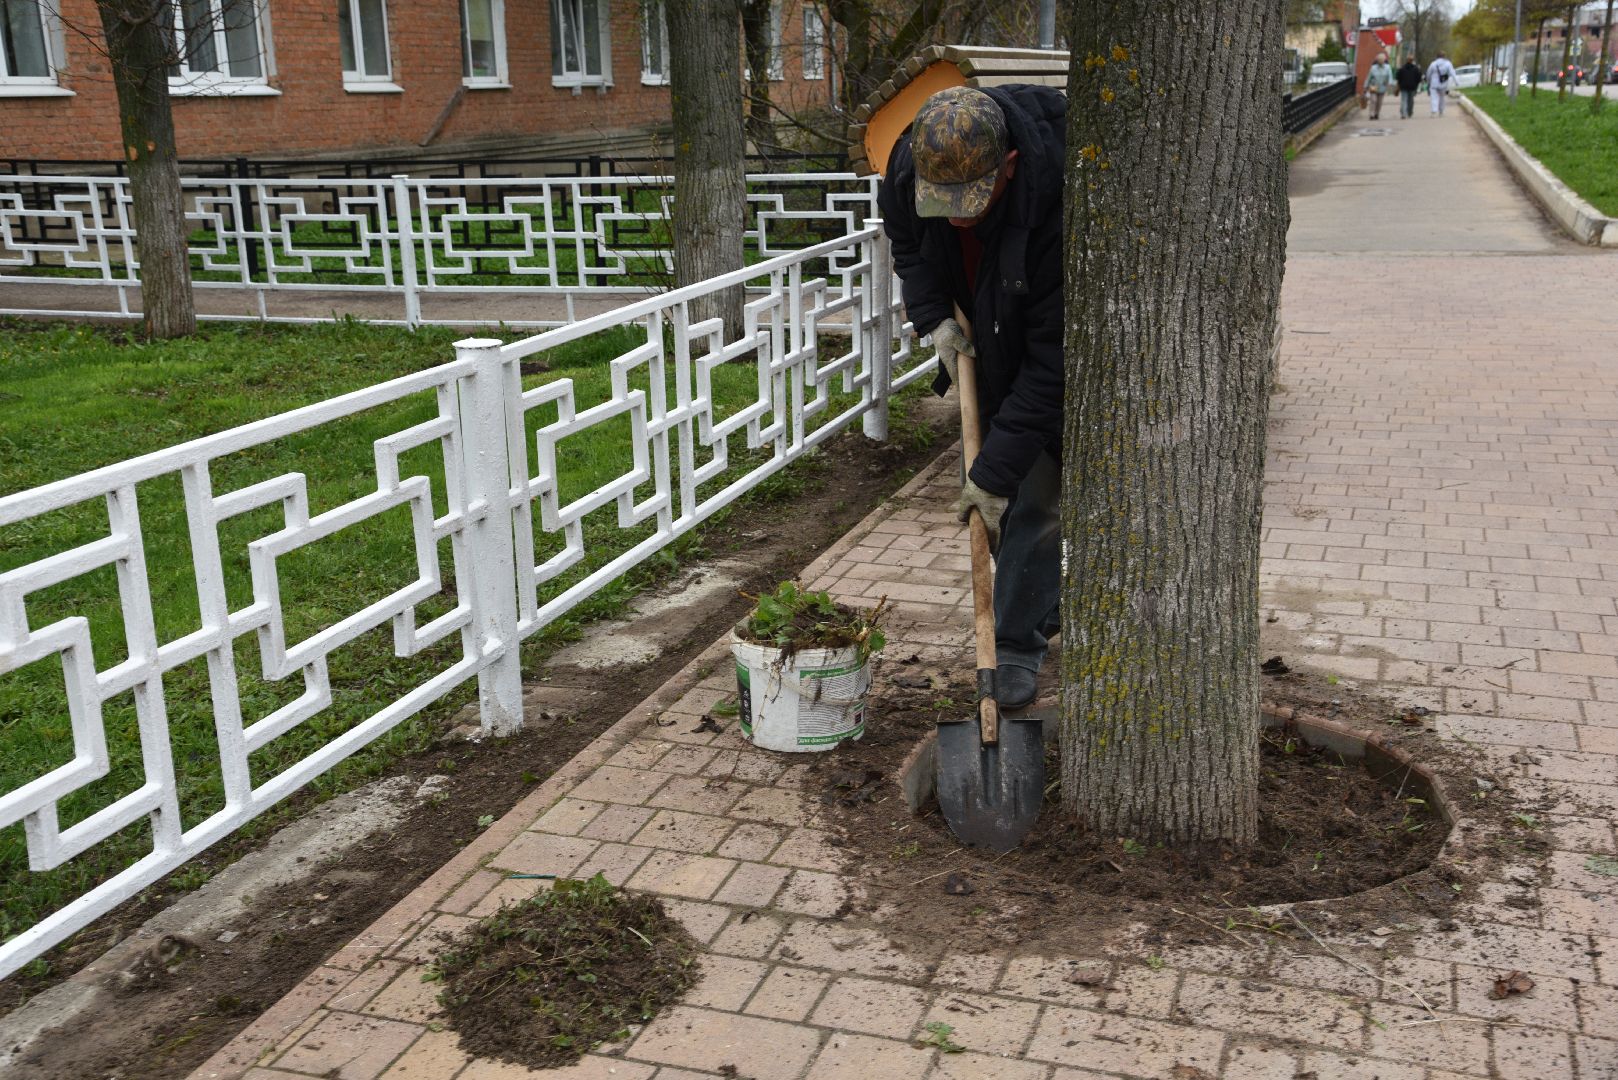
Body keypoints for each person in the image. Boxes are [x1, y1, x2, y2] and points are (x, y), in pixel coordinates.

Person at [877, 85, 1065, 710]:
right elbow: (909, 247)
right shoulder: (910, 166)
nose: (956, 216)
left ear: (1008, 164)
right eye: (944, 201)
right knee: (993, 489)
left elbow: (1048, 368)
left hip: (1036, 326)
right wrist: (933, 316)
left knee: (1028, 490)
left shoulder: (1056, 197)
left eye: (971, 202)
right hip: (974, 318)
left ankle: (1013, 645)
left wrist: (994, 476)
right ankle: (1035, 599)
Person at [1426, 52, 1457, 116]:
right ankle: (1441, 111)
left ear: (1437, 56)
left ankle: (1434, 111)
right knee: (1442, 97)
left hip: (1434, 83)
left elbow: (1428, 73)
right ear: (1444, 56)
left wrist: (1428, 81)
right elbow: (1452, 72)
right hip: (1443, 83)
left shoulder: (1433, 64)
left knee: (1434, 97)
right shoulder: (1448, 63)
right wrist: (1456, 82)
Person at [1364, 51, 1394, 119]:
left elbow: (1390, 77)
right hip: (1374, 86)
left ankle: (1377, 113)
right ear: (1377, 61)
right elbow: (1368, 77)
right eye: (1379, 60)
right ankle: (1372, 114)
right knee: (1373, 100)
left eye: (1382, 60)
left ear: (1384, 60)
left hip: (1382, 86)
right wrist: (1365, 86)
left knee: (1379, 102)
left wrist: (1390, 84)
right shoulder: (1373, 68)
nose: (1381, 61)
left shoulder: (1387, 67)